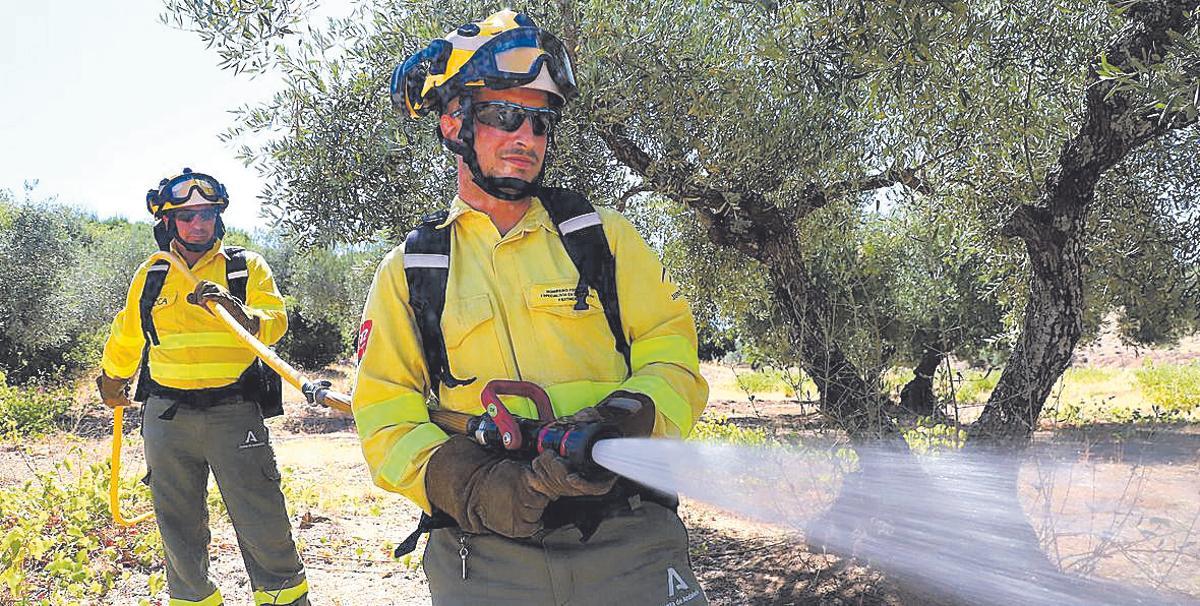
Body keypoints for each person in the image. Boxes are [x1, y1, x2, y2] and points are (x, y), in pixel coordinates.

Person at [354, 10, 709, 605]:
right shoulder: (410, 272)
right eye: (504, 115)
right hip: (483, 557)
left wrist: (628, 416)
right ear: (451, 122)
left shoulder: (606, 240)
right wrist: (472, 485)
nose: (527, 137)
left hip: (631, 539)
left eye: (540, 122)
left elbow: (672, 355)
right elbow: (386, 416)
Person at [97, 169, 310, 606]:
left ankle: (284, 598)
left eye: (208, 214)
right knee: (177, 526)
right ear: (168, 223)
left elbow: (275, 320)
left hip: (234, 414)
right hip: (166, 418)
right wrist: (112, 378)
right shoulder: (154, 274)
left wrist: (242, 313)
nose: (199, 224)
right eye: (188, 215)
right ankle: (193, 599)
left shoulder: (244, 267)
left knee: (262, 520)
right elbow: (128, 333)